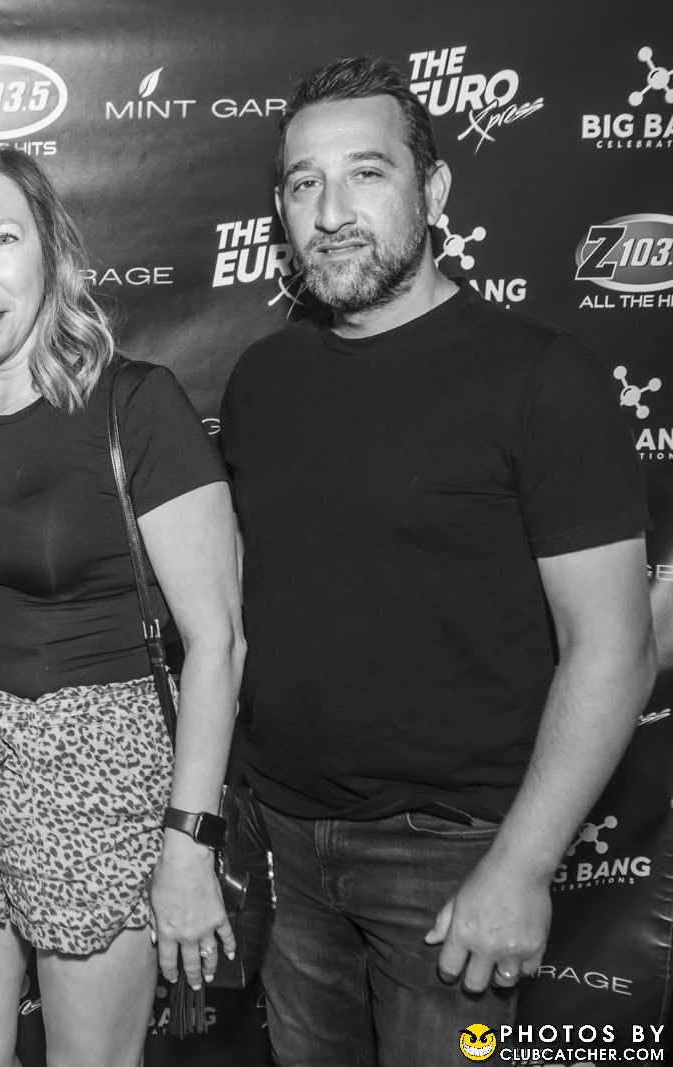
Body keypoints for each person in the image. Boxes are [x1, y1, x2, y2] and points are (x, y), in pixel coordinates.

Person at [220, 56, 656, 1065]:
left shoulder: (542, 379)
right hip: (283, 836)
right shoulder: (261, 379)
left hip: (455, 853)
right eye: (302, 183)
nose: (331, 211)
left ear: (435, 189)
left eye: (366, 173)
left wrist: (522, 865)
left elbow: (614, 646)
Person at [0, 144, 245, 1067]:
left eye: (2, 240)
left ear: (51, 253)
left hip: (97, 764)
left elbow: (218, 642)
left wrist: (188, 843)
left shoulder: (136, 403)